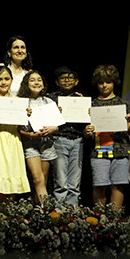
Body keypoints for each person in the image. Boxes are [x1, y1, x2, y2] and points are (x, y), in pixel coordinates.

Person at [84, 64, 130, 209]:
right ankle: (100, 218)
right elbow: (87, 133)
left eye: (108, 82)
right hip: (99, 151)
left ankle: (113, 218)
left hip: (120, 150)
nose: (104, 85)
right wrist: (87, 132)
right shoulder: (92, 105)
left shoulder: (123, 104)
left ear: (114, 82)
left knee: (118, 185)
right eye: (100, 82)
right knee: (99, 184)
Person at [0, 65, 31, 200]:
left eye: (7, 79)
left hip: (14, 141)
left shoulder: (17, 100)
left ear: (12, 80)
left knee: (12, 184)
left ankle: (10, 213)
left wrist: (25, 116)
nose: (3, 82)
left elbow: (20, 127)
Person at [17, 70, 59, 203]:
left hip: (46, 143)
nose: (36, 83)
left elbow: (57, 125)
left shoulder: (49, 101)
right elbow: (18, 130)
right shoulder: (22, 102)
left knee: (43, 179)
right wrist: (30, 134)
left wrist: (52, 128)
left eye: (39, 80)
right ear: (26, 84)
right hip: (30, 143)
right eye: (32, 80)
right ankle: (46, 209)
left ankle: (38, 210)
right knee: (37, 178)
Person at [47, 66, 85, 206]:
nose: (67, 81)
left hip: (78, 140)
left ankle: (72, 211)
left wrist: (87, 110)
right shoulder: (50, 99)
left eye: (70, 78)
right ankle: (60, 212)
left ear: (76, 81)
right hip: (59, 139)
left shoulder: (81, 99)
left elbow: (86, 122)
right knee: (61, 181)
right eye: (63, 78)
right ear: (57, 82)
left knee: (74, 182)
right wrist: (54, 112)